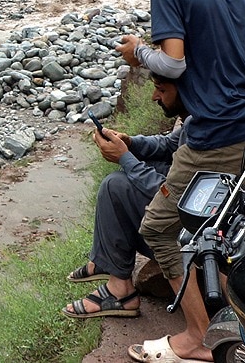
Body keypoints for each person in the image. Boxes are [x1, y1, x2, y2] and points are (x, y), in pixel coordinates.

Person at [115, 0, 245, 363]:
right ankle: (242, 314)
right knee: (227, 222)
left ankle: (200, 338)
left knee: (163, 228)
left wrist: (136, 51)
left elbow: (173, 62)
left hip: (216, 130)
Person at [63, 74, 188, 320]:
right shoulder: (197, 117)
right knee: (123, 178)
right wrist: (130, 144)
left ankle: (120, 289)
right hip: (186, 218)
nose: (154, 97)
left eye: (161, 90)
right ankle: (108, 264)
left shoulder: (208, 130)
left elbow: (172, 196)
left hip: (187, 243)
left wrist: (124, 158)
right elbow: (169, 144)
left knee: (118, 185)